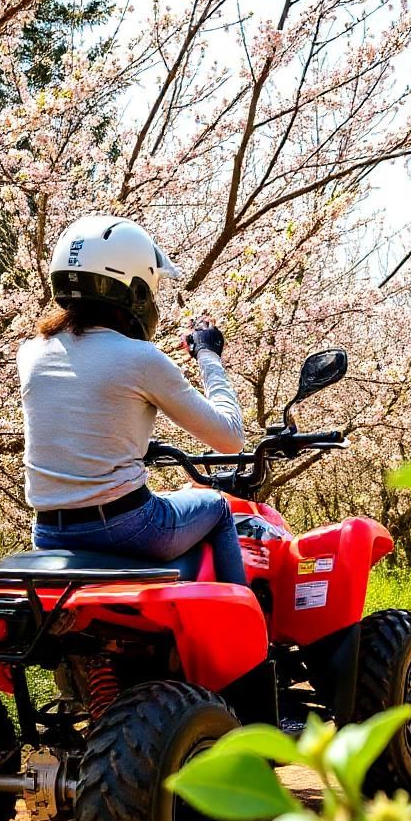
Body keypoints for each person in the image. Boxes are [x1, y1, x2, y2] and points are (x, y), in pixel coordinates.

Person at [17, 214, 248, 585]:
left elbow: (81, 408)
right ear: (134, 289)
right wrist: (208, 356)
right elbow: (230, 437)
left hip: (49, 533)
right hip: (127, 529)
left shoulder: (31, 353)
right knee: (219, 506)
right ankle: (247, 631)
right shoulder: (139, 358)